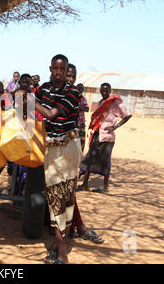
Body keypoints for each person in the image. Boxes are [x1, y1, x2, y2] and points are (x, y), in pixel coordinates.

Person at [30, 54, 82, 264]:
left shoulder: (73, 92)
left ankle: (62, 250)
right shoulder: (44, 88)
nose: (58, 73)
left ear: (67, 70)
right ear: (50, 69)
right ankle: (62, 248)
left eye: (62, 70)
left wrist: (30, 101)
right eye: (55, 69)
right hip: (51, 147)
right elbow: (27, 104)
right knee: (57, 197)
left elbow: (51, 114)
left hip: (68, 147)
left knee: (65, 196)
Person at [64, 64, 103, 244]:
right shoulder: (49, 93)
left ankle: (77, 226)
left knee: (69, 189)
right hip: (51, 147)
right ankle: (75, 227)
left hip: (68, 146)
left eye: (73, 76)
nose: (70, 79)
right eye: (67, 75)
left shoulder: (74, 97)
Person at [78, 83, 132, 193]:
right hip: (97, 134)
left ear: (110, 90)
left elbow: (127, 115)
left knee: (105, 161)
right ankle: (85, 184)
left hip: (107, 137)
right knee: (89, 158)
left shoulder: (115, 102)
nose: (104, 92)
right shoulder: (101, 102)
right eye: (102, 90)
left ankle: (105, 187)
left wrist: (115, 126)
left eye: (106, 90)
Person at [76, 83, 89, 152]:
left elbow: (87, 109)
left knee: (82, 141)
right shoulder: (73, 98)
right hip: (74, 123)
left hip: (81, 123)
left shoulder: (84, 99)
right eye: (79, 88)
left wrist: (80, 108)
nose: (80, 90)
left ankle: (80, 156)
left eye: (82, 89)